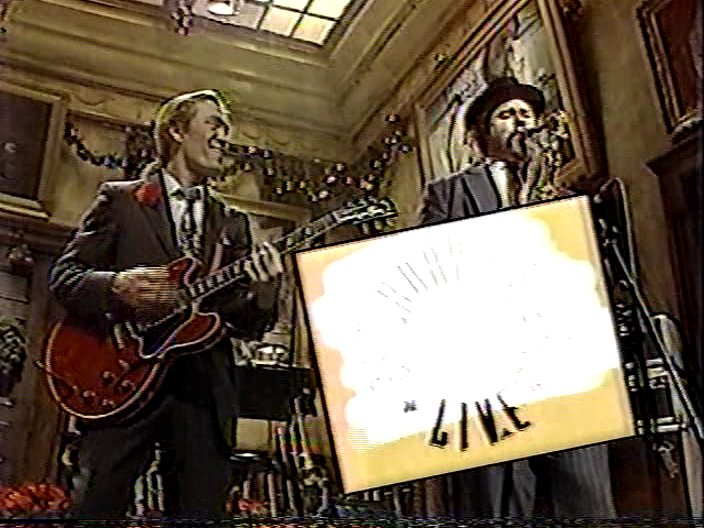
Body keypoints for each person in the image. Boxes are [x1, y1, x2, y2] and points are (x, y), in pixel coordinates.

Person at [49, 89, 283, 519]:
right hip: (122, 379)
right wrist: (117, 285)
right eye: (214, 123)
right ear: (177, 130)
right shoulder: (121, 200)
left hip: (202, 390)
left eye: (226, 127)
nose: (224, 136)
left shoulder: (232, 223)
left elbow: (243, 321)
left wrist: (265, 293)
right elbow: (65, 278)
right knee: (96, 509)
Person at [420, 77, 616, 519]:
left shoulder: (565, 190)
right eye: (507, 115)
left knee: (588, 501)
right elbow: (430, 272)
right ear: (481, 133)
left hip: (564, 366)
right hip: (490, 369)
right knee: (503, 507)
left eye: (527, 115)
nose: (521, 123)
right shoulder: (448, 193)